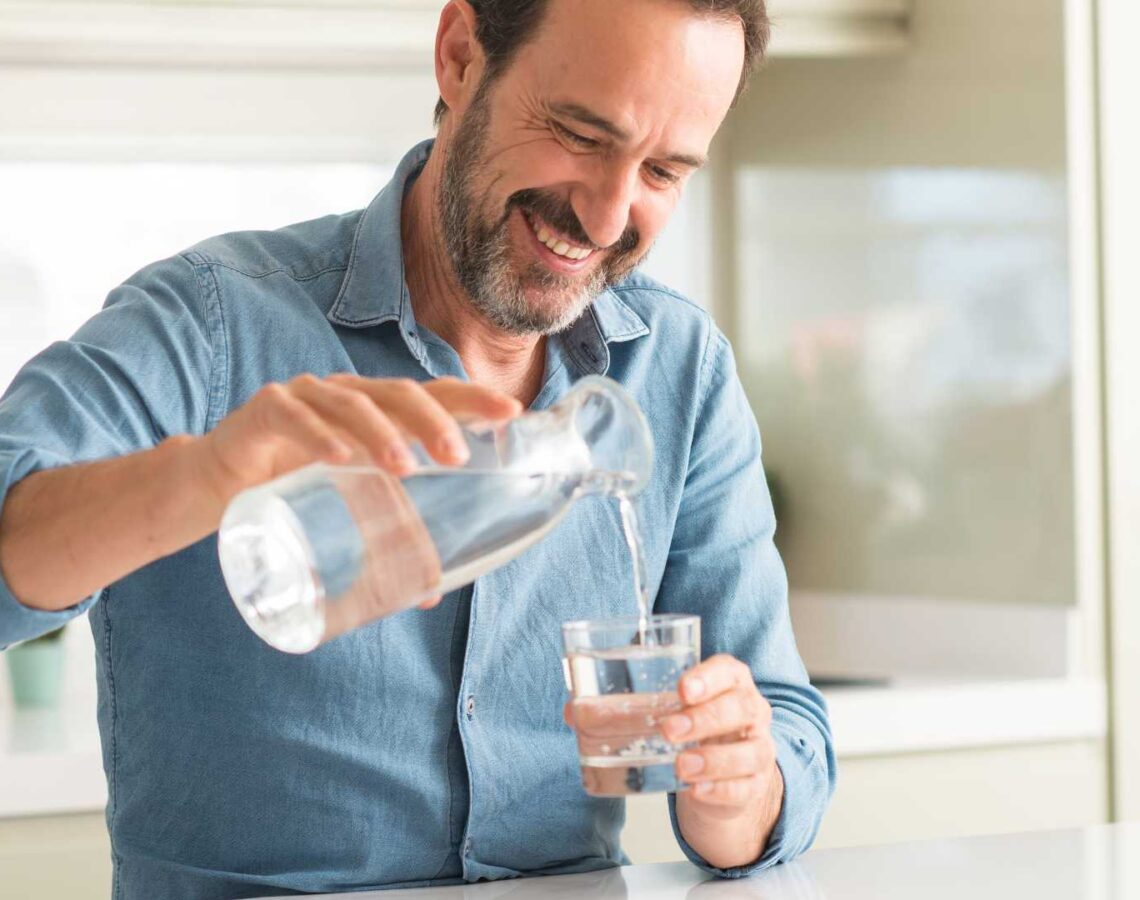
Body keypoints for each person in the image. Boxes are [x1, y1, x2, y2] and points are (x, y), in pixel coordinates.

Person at [0, 0, 836, 896]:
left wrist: (739, 789)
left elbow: (781, 721)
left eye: (663, 172)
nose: (604, 216)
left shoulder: (679, 369)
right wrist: (206, 475)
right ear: (459, 57)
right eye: (581, 134)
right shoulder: (214, 324)